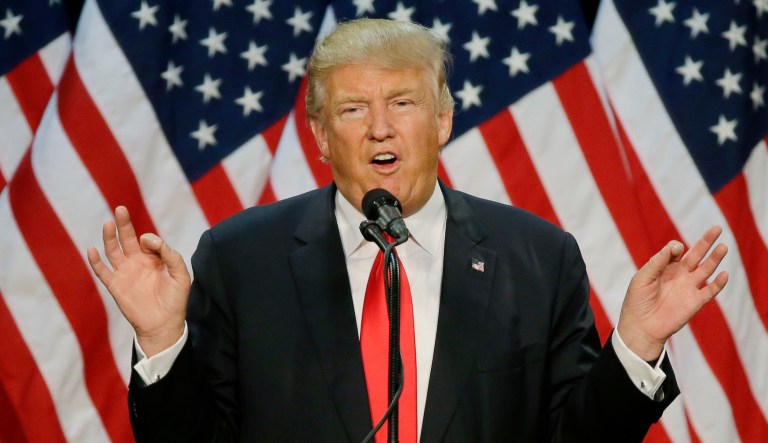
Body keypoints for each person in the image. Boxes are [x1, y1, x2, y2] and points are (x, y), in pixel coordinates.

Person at [87, 18, 729, 442]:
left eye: (402, 103)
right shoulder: (240, 258)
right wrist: (162, 339)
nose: (380, 128)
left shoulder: (537, 257)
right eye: (352, 109)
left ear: (443, 120)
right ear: (320, 137)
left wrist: (637, 344)